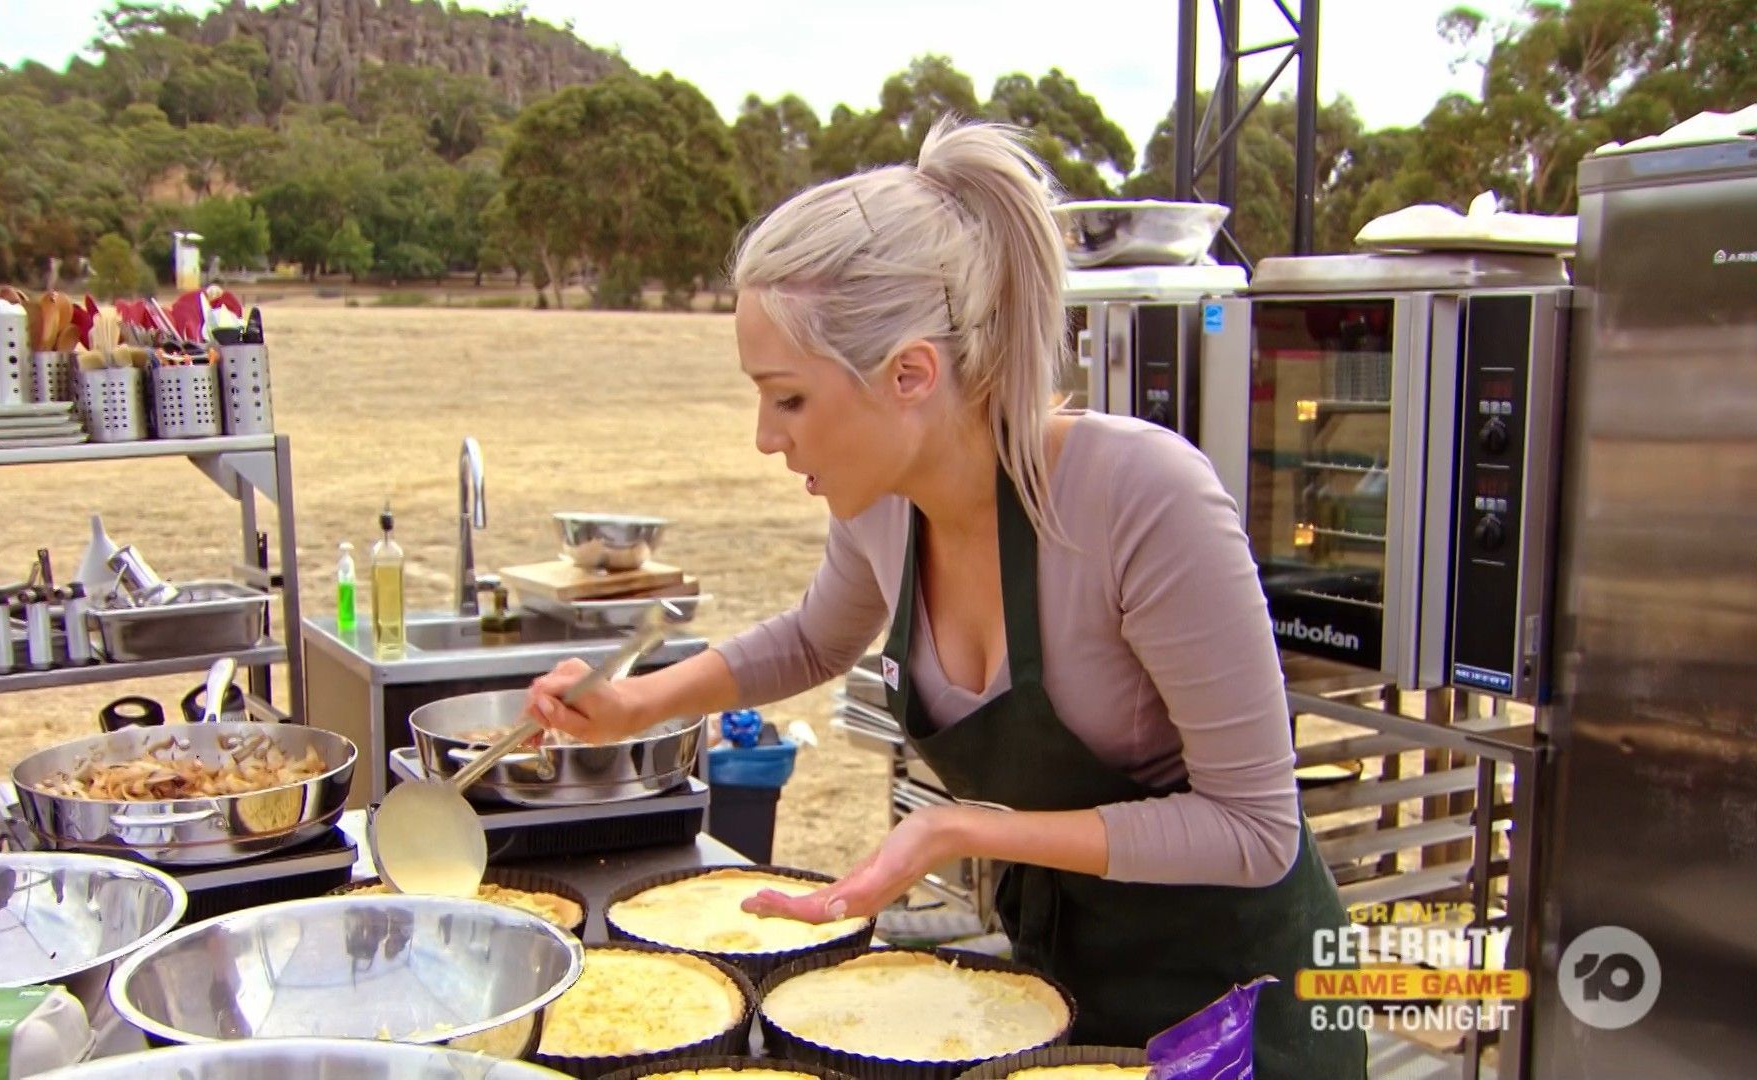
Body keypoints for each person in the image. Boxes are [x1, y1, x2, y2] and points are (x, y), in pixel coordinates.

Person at [524, 116, 1366, 1079]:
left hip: (1243, 1005)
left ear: (911, 374)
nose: (765, 436)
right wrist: (635, 704)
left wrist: (964, 827)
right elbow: (812, 640)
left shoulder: (1139, 501)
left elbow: (1255, 829)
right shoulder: (884, 504)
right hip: (1062, 981)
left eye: (788, 397)